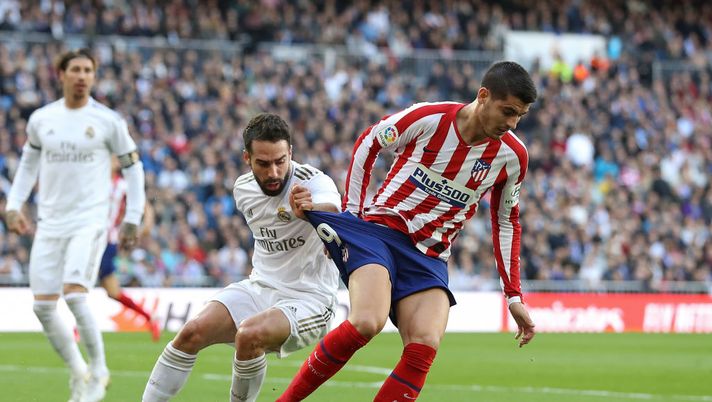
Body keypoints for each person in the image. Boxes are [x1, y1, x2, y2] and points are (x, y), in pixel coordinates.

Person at [277, 61, 538, 401]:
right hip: (380, 233)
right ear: (483, 96)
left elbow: (506, 221)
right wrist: (354, 217)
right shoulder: (429, 118)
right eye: (508, 111)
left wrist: (513, 295)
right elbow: (370, 141)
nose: (512, 123)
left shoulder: (513, 156)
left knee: (425, 345)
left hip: (430, 256)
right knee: (366, 322)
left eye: (520, 116)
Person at [142, 113, 342, 402]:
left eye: (280, 161)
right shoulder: (242, 189)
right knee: (190, 333)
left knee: (248, 335)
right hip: (260, 288)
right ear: (247, 158)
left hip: (308, 299)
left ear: (290, 154)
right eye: (263, 163)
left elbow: (333, 209)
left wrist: (315, 212)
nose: (273, 172)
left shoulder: (312, 182)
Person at [4, 48, 146, 402]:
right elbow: (27, 165)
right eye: (76, 70)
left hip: (90, 220)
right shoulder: (41, 119)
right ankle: (79, 372)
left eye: (88, 70)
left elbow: (133, 167)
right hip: (50, 223)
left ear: (94, 77)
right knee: (42, 306)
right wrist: (13, 206)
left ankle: (99, 372)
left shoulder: (108, 121)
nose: (82, 76)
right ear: (61, 74)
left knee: (75, 294)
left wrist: (133, 216)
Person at [97, 156, 160, 341]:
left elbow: (145, 206)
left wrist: (145, 225)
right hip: (93, 240)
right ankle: (150, 318)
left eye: (116, 158)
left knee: (79, 284)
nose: (113, 160)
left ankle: (77, 330)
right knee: (113, 292)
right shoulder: (96, 180)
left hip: (106, 242)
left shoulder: (123, 186)